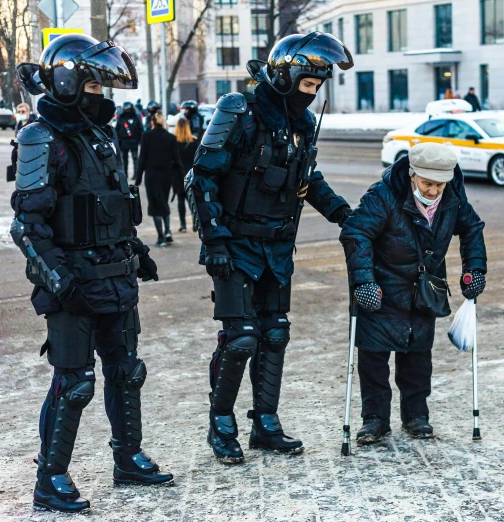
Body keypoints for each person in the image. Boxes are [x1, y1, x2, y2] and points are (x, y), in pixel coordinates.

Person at [12, 34, 173, 513]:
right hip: (74, 287)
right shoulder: (42, 137)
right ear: (67, 82)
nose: (103, 99)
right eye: (95, 88)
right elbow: (27, 226)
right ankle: (51, 478)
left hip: (116, 279)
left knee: (127, 373)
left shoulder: (99, 136)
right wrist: (59, 279)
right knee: (74, 382)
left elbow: (112, 210)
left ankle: (128, 458)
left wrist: (136, 250)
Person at [186, 31, 354, 463]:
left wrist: (342, 213)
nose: (312, 95)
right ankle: (221, 424)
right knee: (240, 339)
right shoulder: (238, 111)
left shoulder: (299, 128)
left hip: (277, 249)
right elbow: (201, 178)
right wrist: (215, 239)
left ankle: (266, 423)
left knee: (275, 335)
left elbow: (307, 179)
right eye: (307, 85)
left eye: (318, 88)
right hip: (235, 246)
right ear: (285, 76)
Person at [339, 143, 487, 443]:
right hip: (382, 288)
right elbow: (356, 232)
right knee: (374, 359)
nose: (434, 191)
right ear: (412, 176)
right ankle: (375, 420)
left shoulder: (453, 198)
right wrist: (364, 281)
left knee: (418, 357)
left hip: (424, 290)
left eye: (440, 185)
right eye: (427, 183)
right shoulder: (383, 195)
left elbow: (472, 228)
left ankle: (417, 415)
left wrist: (475, 269)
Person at [136, 112, 182, 247]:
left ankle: (161, 236)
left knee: (155, 206)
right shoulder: (171, 138)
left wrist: (138, 178)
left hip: (152, 175)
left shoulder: (146, 137)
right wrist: (180, 176)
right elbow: (176, 160)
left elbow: (142, 159)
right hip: (167, 176)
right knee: (164, 202)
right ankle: (167, 231)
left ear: (152, 122)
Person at [173, 117, 199, 233]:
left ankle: (183, 225)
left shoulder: (174, 142)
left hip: (178, 174)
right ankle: (195, 222)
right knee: (192, 200)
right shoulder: (194, 142)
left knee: (180, 200)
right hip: (191, 174)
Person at [115, 101, 144, 178]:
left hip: (134, 141)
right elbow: (117, 129)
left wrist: (140, 140)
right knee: (124, 159)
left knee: (134, 158)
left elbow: (140, 129)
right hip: (124, 141)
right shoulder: (121, 117)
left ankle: (136, 174)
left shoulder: (136, 117)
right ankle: (125, 174)